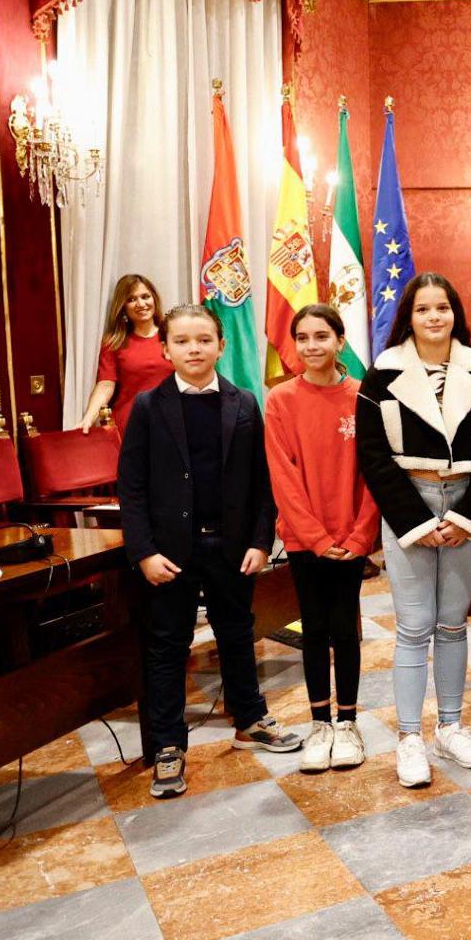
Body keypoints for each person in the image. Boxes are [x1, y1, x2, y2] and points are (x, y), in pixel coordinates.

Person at [118, 304, 300, 799]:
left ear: (221, 345)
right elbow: (131, 488)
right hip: (170, 552)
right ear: (166, 349)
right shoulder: (148, 408)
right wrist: (143, 552)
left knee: (238, 633)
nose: (193, 349)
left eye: (203, 340)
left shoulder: (243, 404)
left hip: (231, 544)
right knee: (168, 644)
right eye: (182, 341)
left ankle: (250, 719)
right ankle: (168, 745)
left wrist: (263, 540)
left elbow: (262, 482)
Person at [357, 273, 471, 787]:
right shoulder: (382, 373)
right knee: (413, 626)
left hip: (464, 504)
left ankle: (450, 726)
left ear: (454, 313)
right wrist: (416, 521)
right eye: (423, 309)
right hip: (409, 503)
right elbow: (373, 456)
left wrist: (467, 516)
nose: (433, 317)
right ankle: (409, 737)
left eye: (442, 308)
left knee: (451, 624)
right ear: (409, 316)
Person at [265, 304, 381, 774]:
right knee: (313, 628)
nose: (312, 346)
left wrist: (358, 535)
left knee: (344, 628)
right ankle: (319, 724)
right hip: (303, 539)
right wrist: (313, 537)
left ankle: (348, 723)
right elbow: (282, 476)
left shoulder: (363, 396)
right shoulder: (280, 400)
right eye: (303, 337)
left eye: (321, 336)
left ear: (339, 340)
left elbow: (375, 473)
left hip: (351, 536)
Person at [81, 273, 169, 433]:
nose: (141, 304)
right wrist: (88, 419)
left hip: (172, 423)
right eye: (131, 299)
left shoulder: (174, 336)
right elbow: (105, 385)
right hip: (131, 426)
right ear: (123, 307)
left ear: (154, 299)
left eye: (145, 296)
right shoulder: (113, 342)